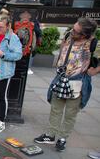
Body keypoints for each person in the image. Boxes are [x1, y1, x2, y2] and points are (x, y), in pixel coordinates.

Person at [34, 18, 98, 151]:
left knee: (70, 112)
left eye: (75, 31)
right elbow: (63, 48)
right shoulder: (69, 35)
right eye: (72, 28)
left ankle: (62, 138)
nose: (71, 31)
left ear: (84, 34)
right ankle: (50, 135)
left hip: (78, 81)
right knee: (55, 108)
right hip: (61, 77)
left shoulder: (93, 43)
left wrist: (94, 71)